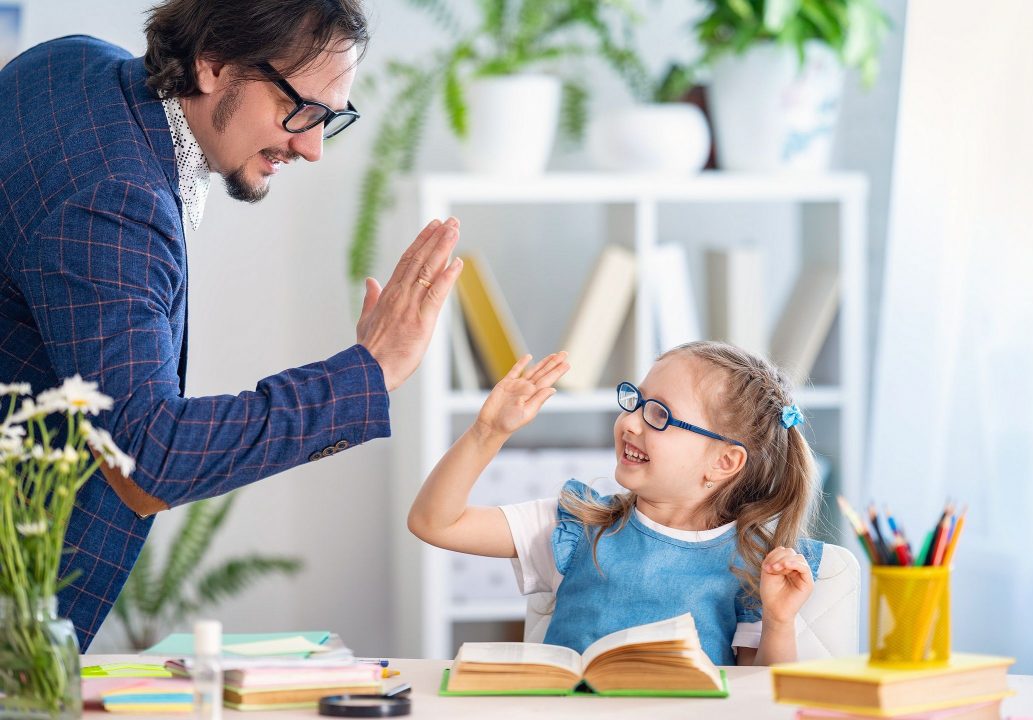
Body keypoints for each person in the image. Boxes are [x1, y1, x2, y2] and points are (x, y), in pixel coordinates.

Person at [0, 0, 463, 649]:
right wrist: (368, 374)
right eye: (300, 110)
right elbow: (150, 458)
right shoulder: (117, 200)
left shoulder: (70, 63)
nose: (312, 147)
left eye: (331, 118)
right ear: (213, 63)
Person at [408, 341, 825, 665]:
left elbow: (762, 699)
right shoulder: (578, 524)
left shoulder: (754, 563)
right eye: (635, 401)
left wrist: (778, 621)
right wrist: (487, 431)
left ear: (724, 462)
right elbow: (435, 523)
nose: (629, 422)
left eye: (659, 415)